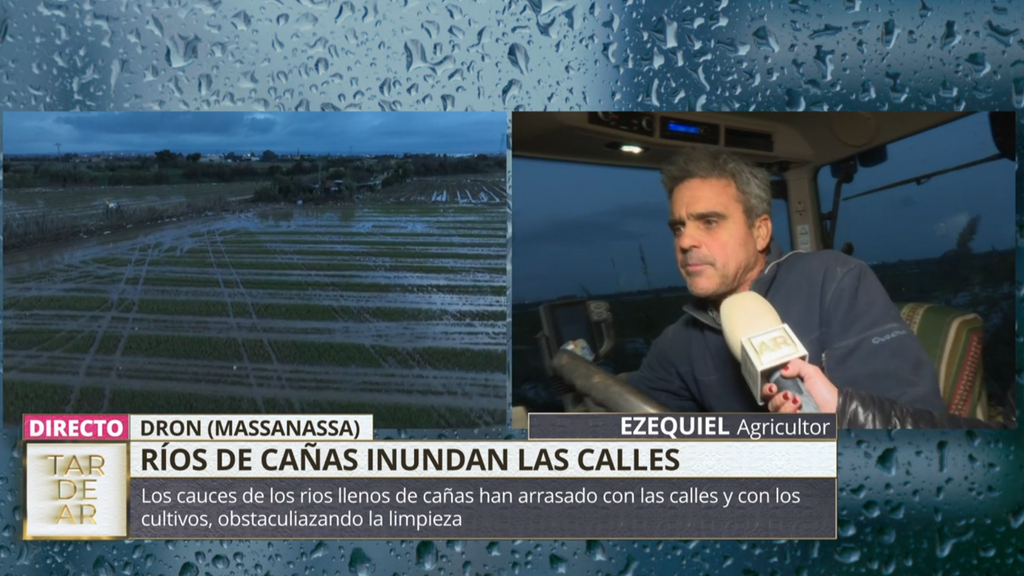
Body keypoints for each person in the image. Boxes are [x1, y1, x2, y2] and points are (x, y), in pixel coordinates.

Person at [625, 149, 997, 429]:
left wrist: (833, 420)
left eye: (708, 222)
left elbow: (919, 437)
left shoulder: (834, 280)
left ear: (760, 232)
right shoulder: (678, 340)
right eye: (678, 228)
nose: (686, 240)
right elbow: (632, 416)